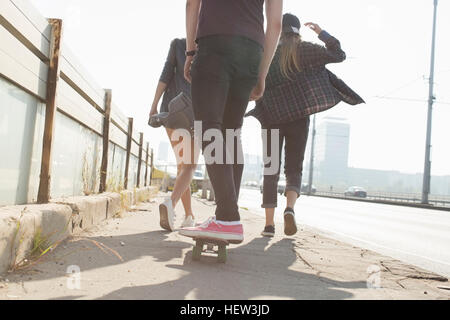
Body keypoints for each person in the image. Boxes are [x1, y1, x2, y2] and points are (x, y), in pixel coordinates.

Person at [247, 13, 364, 237]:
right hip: (299, 117)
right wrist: (322, 33)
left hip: (271, 118)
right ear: (297, 30)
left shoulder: (266, 52)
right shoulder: (305, 49)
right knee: (294, 168)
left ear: (277, 29)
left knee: (270, 169)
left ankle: (269, 225)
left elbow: (252, 80)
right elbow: (338, 55)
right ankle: (289, 209)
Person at [179, 0, 283, 243]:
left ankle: (227, 217)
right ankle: (226, 217)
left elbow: (191, 4)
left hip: (215, 44)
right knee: (230, 134)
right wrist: (262, 72)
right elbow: (276, 24)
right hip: (251, 51)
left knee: (209, 129)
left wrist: (190, 52)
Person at [149, 38, 199, 232]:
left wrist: (154, 106)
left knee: (182, 165)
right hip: (196, 112)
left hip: (173, 110)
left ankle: (189, 216)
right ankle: (171, 204)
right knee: (189, 165)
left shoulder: (178, 44)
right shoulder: (212, 45)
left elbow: (165, 75)